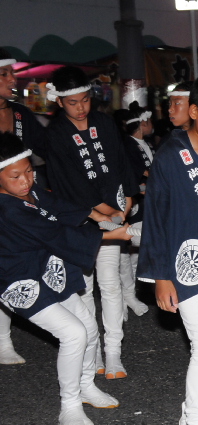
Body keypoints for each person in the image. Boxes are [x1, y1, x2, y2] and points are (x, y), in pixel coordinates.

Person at [0, 132, 130, 425]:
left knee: (88, 328)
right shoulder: (6, 209)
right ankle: (68, 406)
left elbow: (56, 204)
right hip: (18, 280)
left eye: (29, 171)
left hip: (45, 271)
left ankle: (86, 386)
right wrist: (110, 235)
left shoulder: (29, 192)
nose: (25, 181)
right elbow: (56, 233)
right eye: (15, 176)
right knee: (73, 333)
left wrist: (96, 215)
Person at [46, 66, 139, 379]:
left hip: (114, 211)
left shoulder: (103, 122)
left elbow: (121, 161)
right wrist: (102, 211)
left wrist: (127, 199)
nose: (81, 108)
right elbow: (67, 182)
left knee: (110, 284)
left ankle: (113, 352)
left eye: (85, 100)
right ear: (60, 102)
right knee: (84, 288)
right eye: (73, 103)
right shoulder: (56, 133)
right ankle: (93, 350)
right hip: (80, 219)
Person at [0, 48, 48, 365]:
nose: (12, 80)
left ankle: (4, 340)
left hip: (21, 202)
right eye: (4, 74)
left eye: (12, 73)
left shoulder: (20, 115)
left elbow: (46, 149)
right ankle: (3, 341)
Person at [118, 102, 154, 318]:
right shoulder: (128, 145)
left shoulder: (145, 143)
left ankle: (130, 295)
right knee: (128, 249)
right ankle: (125, 296)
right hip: (133, 205)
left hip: (149, 203)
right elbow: (134, 176)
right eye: (149, 121)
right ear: (142, 123)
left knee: (135, 253)